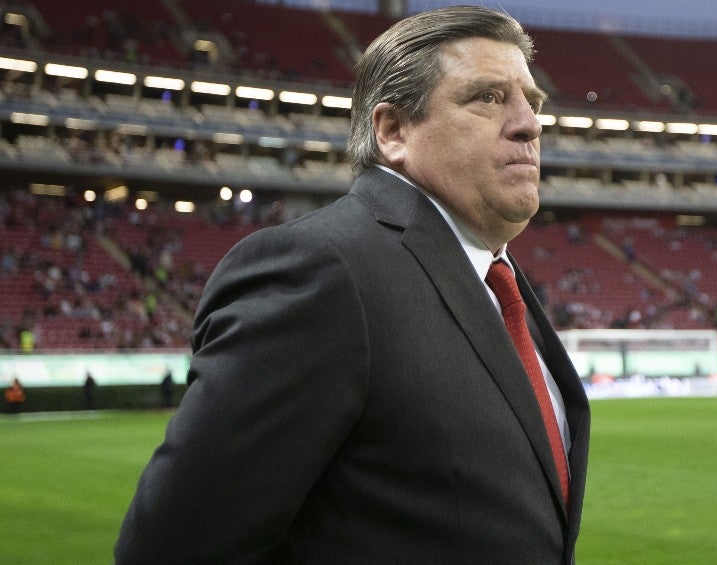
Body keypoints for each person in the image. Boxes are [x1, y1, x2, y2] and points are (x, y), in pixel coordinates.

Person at [115, 6, 590, 564]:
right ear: (393, 131)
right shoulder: (321, 271)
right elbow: (172, 548)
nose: (530, 124)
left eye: (533, 102)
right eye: (487, 97)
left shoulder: (495, 278)